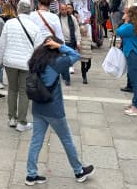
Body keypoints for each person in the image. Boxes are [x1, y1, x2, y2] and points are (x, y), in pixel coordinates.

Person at [25, 37, 94, 185]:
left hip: (37, 106)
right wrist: (61, 46)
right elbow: (76, 55)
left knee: (36, 141)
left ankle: (31, 175)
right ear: (55, 48)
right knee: (67, 139)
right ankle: (78, 171)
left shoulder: (35, 61)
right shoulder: (57, 62)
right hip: (54, 109)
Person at [0, 0, 44, 132]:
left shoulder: (9, 24)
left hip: (10, 62)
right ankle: (21, 122)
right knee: (24, 91)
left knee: (12, 89)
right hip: (26, 63)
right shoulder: (35, 27)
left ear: (18, 9)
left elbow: (2, 43)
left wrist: (0, 60)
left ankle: (11, 118)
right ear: (30, 10)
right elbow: (38, 49)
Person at [116, 6, 137, 116]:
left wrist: (125, 20)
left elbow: (118, 31)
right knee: (136, 81)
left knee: (136, 82)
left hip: (133, 55)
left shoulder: (130, 27)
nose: (125, 15)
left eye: (127, 14)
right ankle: (135, 103)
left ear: (131, 15)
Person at [59, 4, 82, 86]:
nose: (64, 11)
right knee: (64, 60)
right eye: (62, 9)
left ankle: (65, 75)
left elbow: (77, 30)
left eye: (65, 9)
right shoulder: (57, 18)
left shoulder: (72, 18)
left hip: (71, 42)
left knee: (66, 61)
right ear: (59, 9)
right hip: (61, 43)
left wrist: (78, 42)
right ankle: (66, 77)